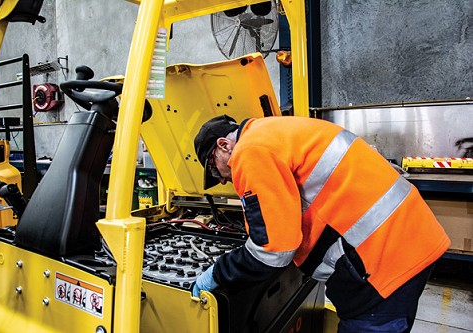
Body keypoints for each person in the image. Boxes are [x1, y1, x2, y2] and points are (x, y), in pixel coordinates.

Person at [192, 114, 450, 333]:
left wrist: (217, 273)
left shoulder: (249, 152)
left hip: (382, 264)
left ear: (224, 145)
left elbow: (272, 252)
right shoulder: (273, 131)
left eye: (215, 170)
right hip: (410, 239)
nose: (223, 180)